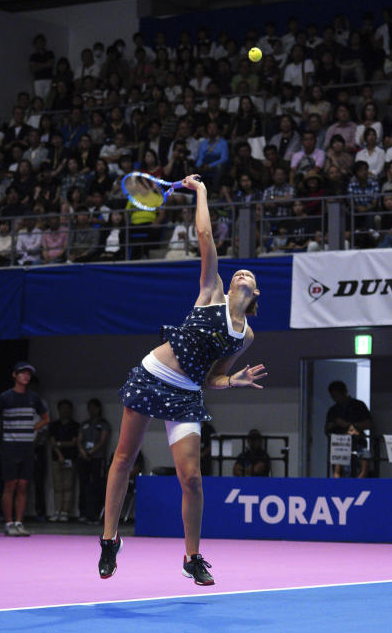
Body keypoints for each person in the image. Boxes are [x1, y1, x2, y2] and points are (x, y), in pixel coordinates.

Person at [99, 175, 266, 586]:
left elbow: (212, 378)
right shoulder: (211, 292)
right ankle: (109, 539)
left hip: (188, 394)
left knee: (191, 478)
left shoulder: (243, 336)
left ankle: (192, 557)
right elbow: (205, 233)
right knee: (124, 458)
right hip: (152, 375)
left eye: (249, 276)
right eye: (238, 273)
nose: (241, 273)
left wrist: (233, 381)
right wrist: (203, 192)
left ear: (256, 295)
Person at [0, 362, 50, 537]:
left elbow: (46, 418)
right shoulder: (5, 397)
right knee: (10, 484)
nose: (26, 377)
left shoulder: (34, 398)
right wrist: (3, 429)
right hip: (10, 446)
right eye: (22, 373)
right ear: (14, 375)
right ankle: (9, 523)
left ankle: (19, 523)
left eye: (28, 374)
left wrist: (32, 429)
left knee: (23, 485)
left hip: (27, 446)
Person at [324, 380, 373, 478]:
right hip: (340, 445)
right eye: (333, 397)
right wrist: (334, 424)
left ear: (344, 393)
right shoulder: (333, 410)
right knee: (339, 472)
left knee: (358, 470)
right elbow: (326, 430)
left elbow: (368, 424)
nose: (335, 399)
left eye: (337, 396)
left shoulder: (358, 405)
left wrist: (349, 425)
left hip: (357, 444)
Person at [77, 398, 111, 524]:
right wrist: (83, 452)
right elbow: (79, 440)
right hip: (83, 458)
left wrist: (91, 452)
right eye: (89, 407)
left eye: (94, 407)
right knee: (83, 484)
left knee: (97, 485)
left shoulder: (103, 424)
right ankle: (82, 513)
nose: (92, 410)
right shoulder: (84, 424)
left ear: (99, 409)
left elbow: (102, 441)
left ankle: (96, 514)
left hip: (97, 458)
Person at [48, 400, 79, 523]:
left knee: (68, 486)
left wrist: (60, 444)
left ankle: (65, 512)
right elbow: (52, 442)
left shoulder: (75, 425)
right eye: (62, 408)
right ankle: (57, 511)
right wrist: (59, 454)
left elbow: (73, 442)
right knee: (57, 486)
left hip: (70, 458)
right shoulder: (53, 425)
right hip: (57, 458)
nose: (65, 410)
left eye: (67, 408)